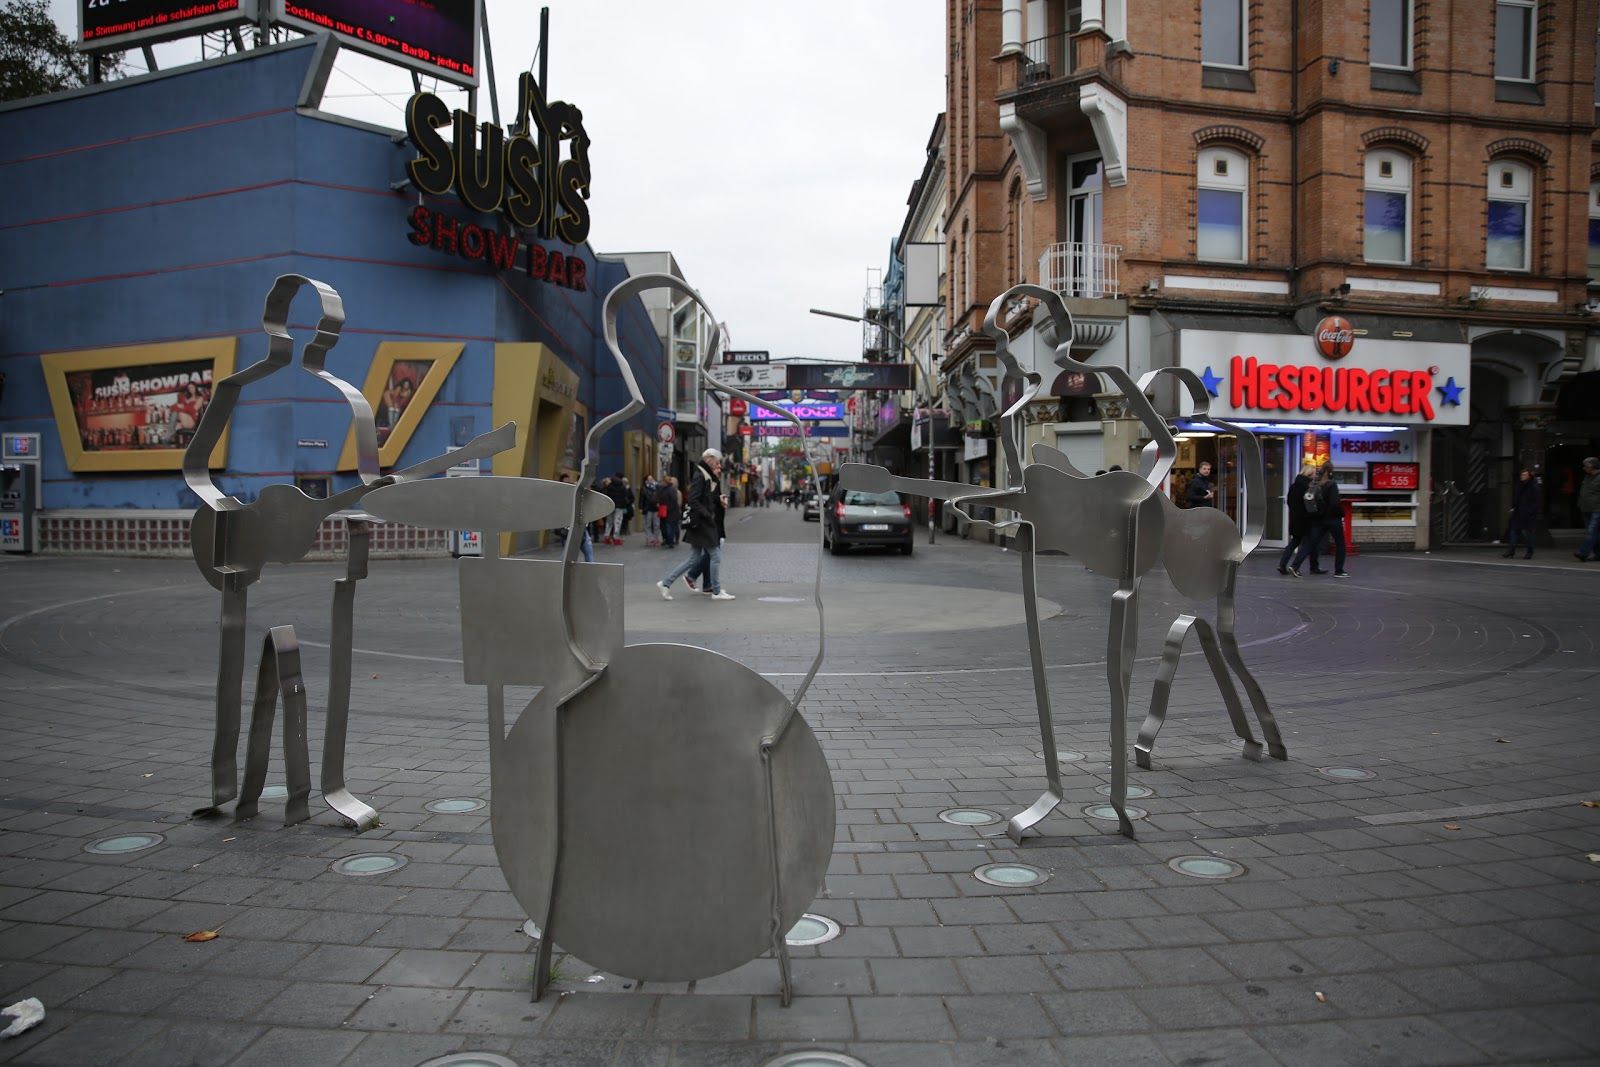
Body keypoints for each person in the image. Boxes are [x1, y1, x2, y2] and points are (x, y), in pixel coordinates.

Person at [658, 448, 734, 601]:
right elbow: (693, 500)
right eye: (716, 461)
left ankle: (666, 583)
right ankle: (717, 591)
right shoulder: (700, 475)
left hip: (700, 523)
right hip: (702, 523)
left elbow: (704, 498)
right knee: (715, 556)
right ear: (709, 459)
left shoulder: (705, 475)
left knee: (693, 558)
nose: (717, 464)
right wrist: (708, 514)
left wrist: (718, 499)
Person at [1290, 464, 1347, 578]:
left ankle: (1295, 565)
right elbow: (1334, 503)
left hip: (1318, 519)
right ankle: (1339, 570)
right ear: (1330, 472)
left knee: (1310, 543)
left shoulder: (1315, 485)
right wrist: (1341, 513)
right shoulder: (1331, 485)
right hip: (1332, 519)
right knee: (1340, 544)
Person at [1278, 463, 1321, 575]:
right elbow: (1310, 505)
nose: (1315, 476)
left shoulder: (1293, 486)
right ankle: (1295, 566)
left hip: (1294, 519)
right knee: (1308, 544)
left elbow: (1289, 502)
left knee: (1294, 542)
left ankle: (1282, 564)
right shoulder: (1308, 488)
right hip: (1305, 520)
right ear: (1310, 474)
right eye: (1314, 474)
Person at [553, 473, 593, 562]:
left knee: (587, 554)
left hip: (581, 528)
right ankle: (561, 571)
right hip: (571, 528)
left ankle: (590, 572)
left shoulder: (577, 493)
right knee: (567, 556)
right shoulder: (564, 496)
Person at [1503, 468, 1541, 560]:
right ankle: (1511, 551)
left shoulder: (1533, 487)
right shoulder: (1519, 486)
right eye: (1521, 475)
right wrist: (1514, 508)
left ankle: (1529, 552)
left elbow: (1537, 502)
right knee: (1514, 532)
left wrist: (1531, 511)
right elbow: (1517, 499)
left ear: (1529, 476)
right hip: (1518, 512)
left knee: (1528, 534)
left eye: (1524, 475)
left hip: (1528, 514)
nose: (1522, 476)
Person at [1575, 456, 1600, 562]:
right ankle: (1598, 555)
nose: (1583, 468)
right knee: (1594, 533)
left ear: (1592, 467)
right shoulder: (1587, 476)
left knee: (1591, 531)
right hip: (1585, 509)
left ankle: (1583, 552)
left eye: (1586, 466)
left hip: (1597, 509)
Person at [604, 474, 631, 545]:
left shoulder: (610, 486)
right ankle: (616, 537)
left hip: (611, 506)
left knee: (609, 521)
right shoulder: (622, 487)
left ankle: (607, 536)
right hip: (620, 506)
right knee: (617, 522)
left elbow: (607, 496)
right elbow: (625, 497)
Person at [658, 476, 682, 548]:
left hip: (671, 512)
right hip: (664, 511)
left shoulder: (671, 490)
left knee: (670, 526)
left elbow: (674, 500)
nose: (661, 483)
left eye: (662, 482)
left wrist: (668, 508)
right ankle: (668, 540)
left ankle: (670, 541)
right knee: (665, 526)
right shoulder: (663, 489)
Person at [639, 476, 661, 547]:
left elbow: (660, 497)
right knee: (647, 524)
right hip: (647, 508)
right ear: (646, 481)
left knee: (656, 525)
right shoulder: (644, 488)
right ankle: (650, 538)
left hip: (656, 508)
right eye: (649, 479)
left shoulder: (657, 487)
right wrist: (641, 507)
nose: (651, 480)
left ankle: (656, 539)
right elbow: (641, 498)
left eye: (652, 479)